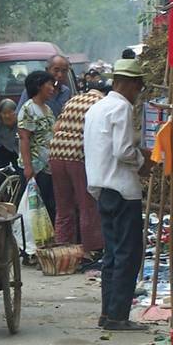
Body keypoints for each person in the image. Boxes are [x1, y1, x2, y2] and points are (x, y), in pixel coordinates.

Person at [84, 59, 152, 331]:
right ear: (132, 84)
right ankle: (118, 316)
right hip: (123, 189)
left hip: (102, 187)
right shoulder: (122, 108)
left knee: (112, 253)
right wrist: (143, 160)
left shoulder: (97, 108)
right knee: (128, 254)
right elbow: (123, 151)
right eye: (138, 88)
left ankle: (108, 312)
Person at [50, 79, 107, 254]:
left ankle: (63, 248)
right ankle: (91, 249)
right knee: (87, 204)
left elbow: (56, 127)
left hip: (56, 152)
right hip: (78, 154)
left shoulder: (73, 100)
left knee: (63, 205)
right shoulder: (101, 104)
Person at [17, 71, 57, 225]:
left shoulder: (47, 108)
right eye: (49, 84)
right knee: (34, 207)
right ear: (39, 85)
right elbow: (24, 138)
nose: (53, 88)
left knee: (48, 204)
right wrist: (28, 167)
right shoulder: (28, 109)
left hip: (48, 166)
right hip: (35, 166)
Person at [0, 99, 19, 191]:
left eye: (10, 112)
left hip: (18, 150)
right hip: (1, 148)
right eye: (4, 113)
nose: (7, 116)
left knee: (18, 180)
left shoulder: (21, 124)